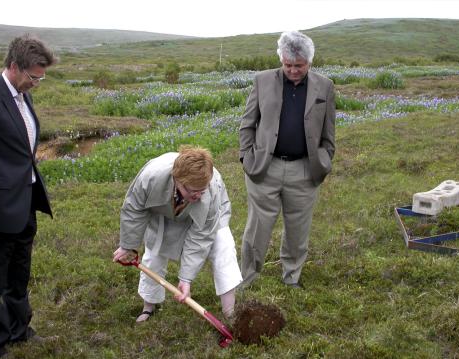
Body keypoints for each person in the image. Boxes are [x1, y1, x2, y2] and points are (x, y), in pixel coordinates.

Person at [239, 30, 336, 288]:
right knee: (257, 229)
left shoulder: (325, 86)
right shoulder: (262, 81)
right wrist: (246, 158)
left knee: (297, 231)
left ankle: (291, 278)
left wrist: (324, 161)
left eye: (299, 66)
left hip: (304, 171)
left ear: (310, 62)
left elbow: (329, 133)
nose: (293, 70)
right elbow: (247, 124)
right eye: (288, 65)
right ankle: (246, 280)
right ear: (281, 59)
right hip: (264, 169)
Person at [113, 146, 242, 322]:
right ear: (177, 179)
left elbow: (201, 237)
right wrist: (127, 245)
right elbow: (134, 208)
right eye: (191, 191)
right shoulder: (151, 176)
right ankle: (148, 307)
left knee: (223, 246)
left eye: (201, 191)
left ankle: (230, 313)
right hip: (163, 211)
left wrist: (186, 278)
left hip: (205, 219)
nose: (197, 195)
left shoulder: (211, 191)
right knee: (154, 253)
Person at [0, 35, 56, 357]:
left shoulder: (22, 95)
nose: (37, 83)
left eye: (41, 77)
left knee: (20, 271)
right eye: (34, 76)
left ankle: (19, 330)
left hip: (26, 199)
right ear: (14, 67)